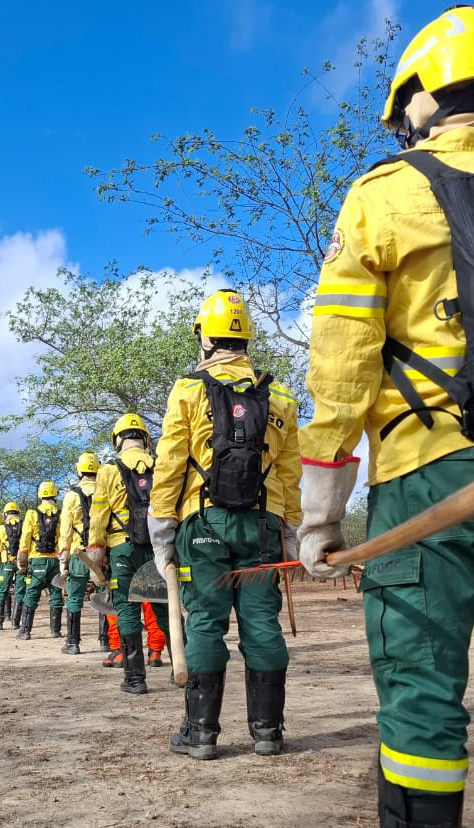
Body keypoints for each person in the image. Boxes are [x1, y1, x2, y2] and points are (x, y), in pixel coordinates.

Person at [298, 5, 474, 828]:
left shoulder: (386, 193)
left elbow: (342, 364)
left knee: (423, 704)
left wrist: (320, 519)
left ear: (425, 97)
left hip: (428, 477)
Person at [148, 289, 301, 759]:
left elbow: (170, 462)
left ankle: (201, 735)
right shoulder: (281, 398)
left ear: (204, 336)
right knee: (261, 622)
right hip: (262, 525)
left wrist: (161, 529)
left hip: (203, 524)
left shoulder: (188, 390)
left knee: (206, 624)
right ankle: (267, 733)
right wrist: (290, 531)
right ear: (246, 339)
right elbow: (291, 473)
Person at [86, 414, 171, 696]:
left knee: (127, 608)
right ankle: (186, 668)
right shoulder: (160, 467)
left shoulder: (109, 471)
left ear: (117, 440)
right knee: (163, 607)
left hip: (122, 547)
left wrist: (95, 557)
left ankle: (135, 679)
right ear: (144, 438)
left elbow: (98, 516)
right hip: (157, 548)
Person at [57, 452, 99, 654]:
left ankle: (73, 643)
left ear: (79, 470)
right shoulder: (104, 490)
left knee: (74, 597)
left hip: (78, 554)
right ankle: (106, 641)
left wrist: (63, 562)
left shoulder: (72, 495)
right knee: (105, 595)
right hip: (102, 553)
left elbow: (65, 531)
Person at [16, 482, 63, 641]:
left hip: (37, 560)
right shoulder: (59, 513)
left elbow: (25, 538)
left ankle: (25, 631)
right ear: (55, 494)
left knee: (32, 593)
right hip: (55, 560)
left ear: (40, 494)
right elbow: (63, 537)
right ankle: (55, 631)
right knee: (56, 593)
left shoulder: (32, 513)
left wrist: (21, 560)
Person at [0, 501, 25, 630]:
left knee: (2, 590)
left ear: (6, 514)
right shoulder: (23, 525)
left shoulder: (1, 528)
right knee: (20, 590)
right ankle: (15, 623)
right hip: (21, 563)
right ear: (18, 512)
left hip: (7, 562)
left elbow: (0, 548)